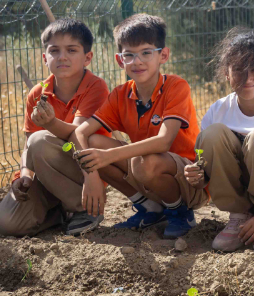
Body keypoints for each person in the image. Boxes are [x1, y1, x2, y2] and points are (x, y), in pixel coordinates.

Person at [71, 14, 207, 239]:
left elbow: (163, 141)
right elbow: (79, 132)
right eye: (129, 55)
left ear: (163, 55)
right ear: (119, 60)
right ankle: (150, 208)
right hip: (145, 173)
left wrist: (108, 156)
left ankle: (180, 212)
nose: (138, 61)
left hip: (190, 180)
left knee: (143, 161)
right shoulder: (120, 94)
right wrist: (91, 175)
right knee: (94, 143)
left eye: (146, 52)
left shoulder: (176, 86)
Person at [0, 18, 112, 237]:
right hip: (46, 176)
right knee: (3, 224)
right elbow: (29, 144)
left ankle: (84, 208)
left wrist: (50, 123)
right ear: (45, 57)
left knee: (42, 141)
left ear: (88, 57)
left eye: (71, 50)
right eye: (54, 50)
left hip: (84, 171)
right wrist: (25, 176)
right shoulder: (37, 94)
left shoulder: (96, 87)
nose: (62, 57)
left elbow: (77, 135)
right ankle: (57, 212)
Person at [184, 28, 254, 252]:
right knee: (212, 134)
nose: (247, 78)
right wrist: (197, 176)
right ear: (226, 73)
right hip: (237, 193)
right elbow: (205, 174)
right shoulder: (218, 110)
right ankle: (238, 218)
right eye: (238, 69)